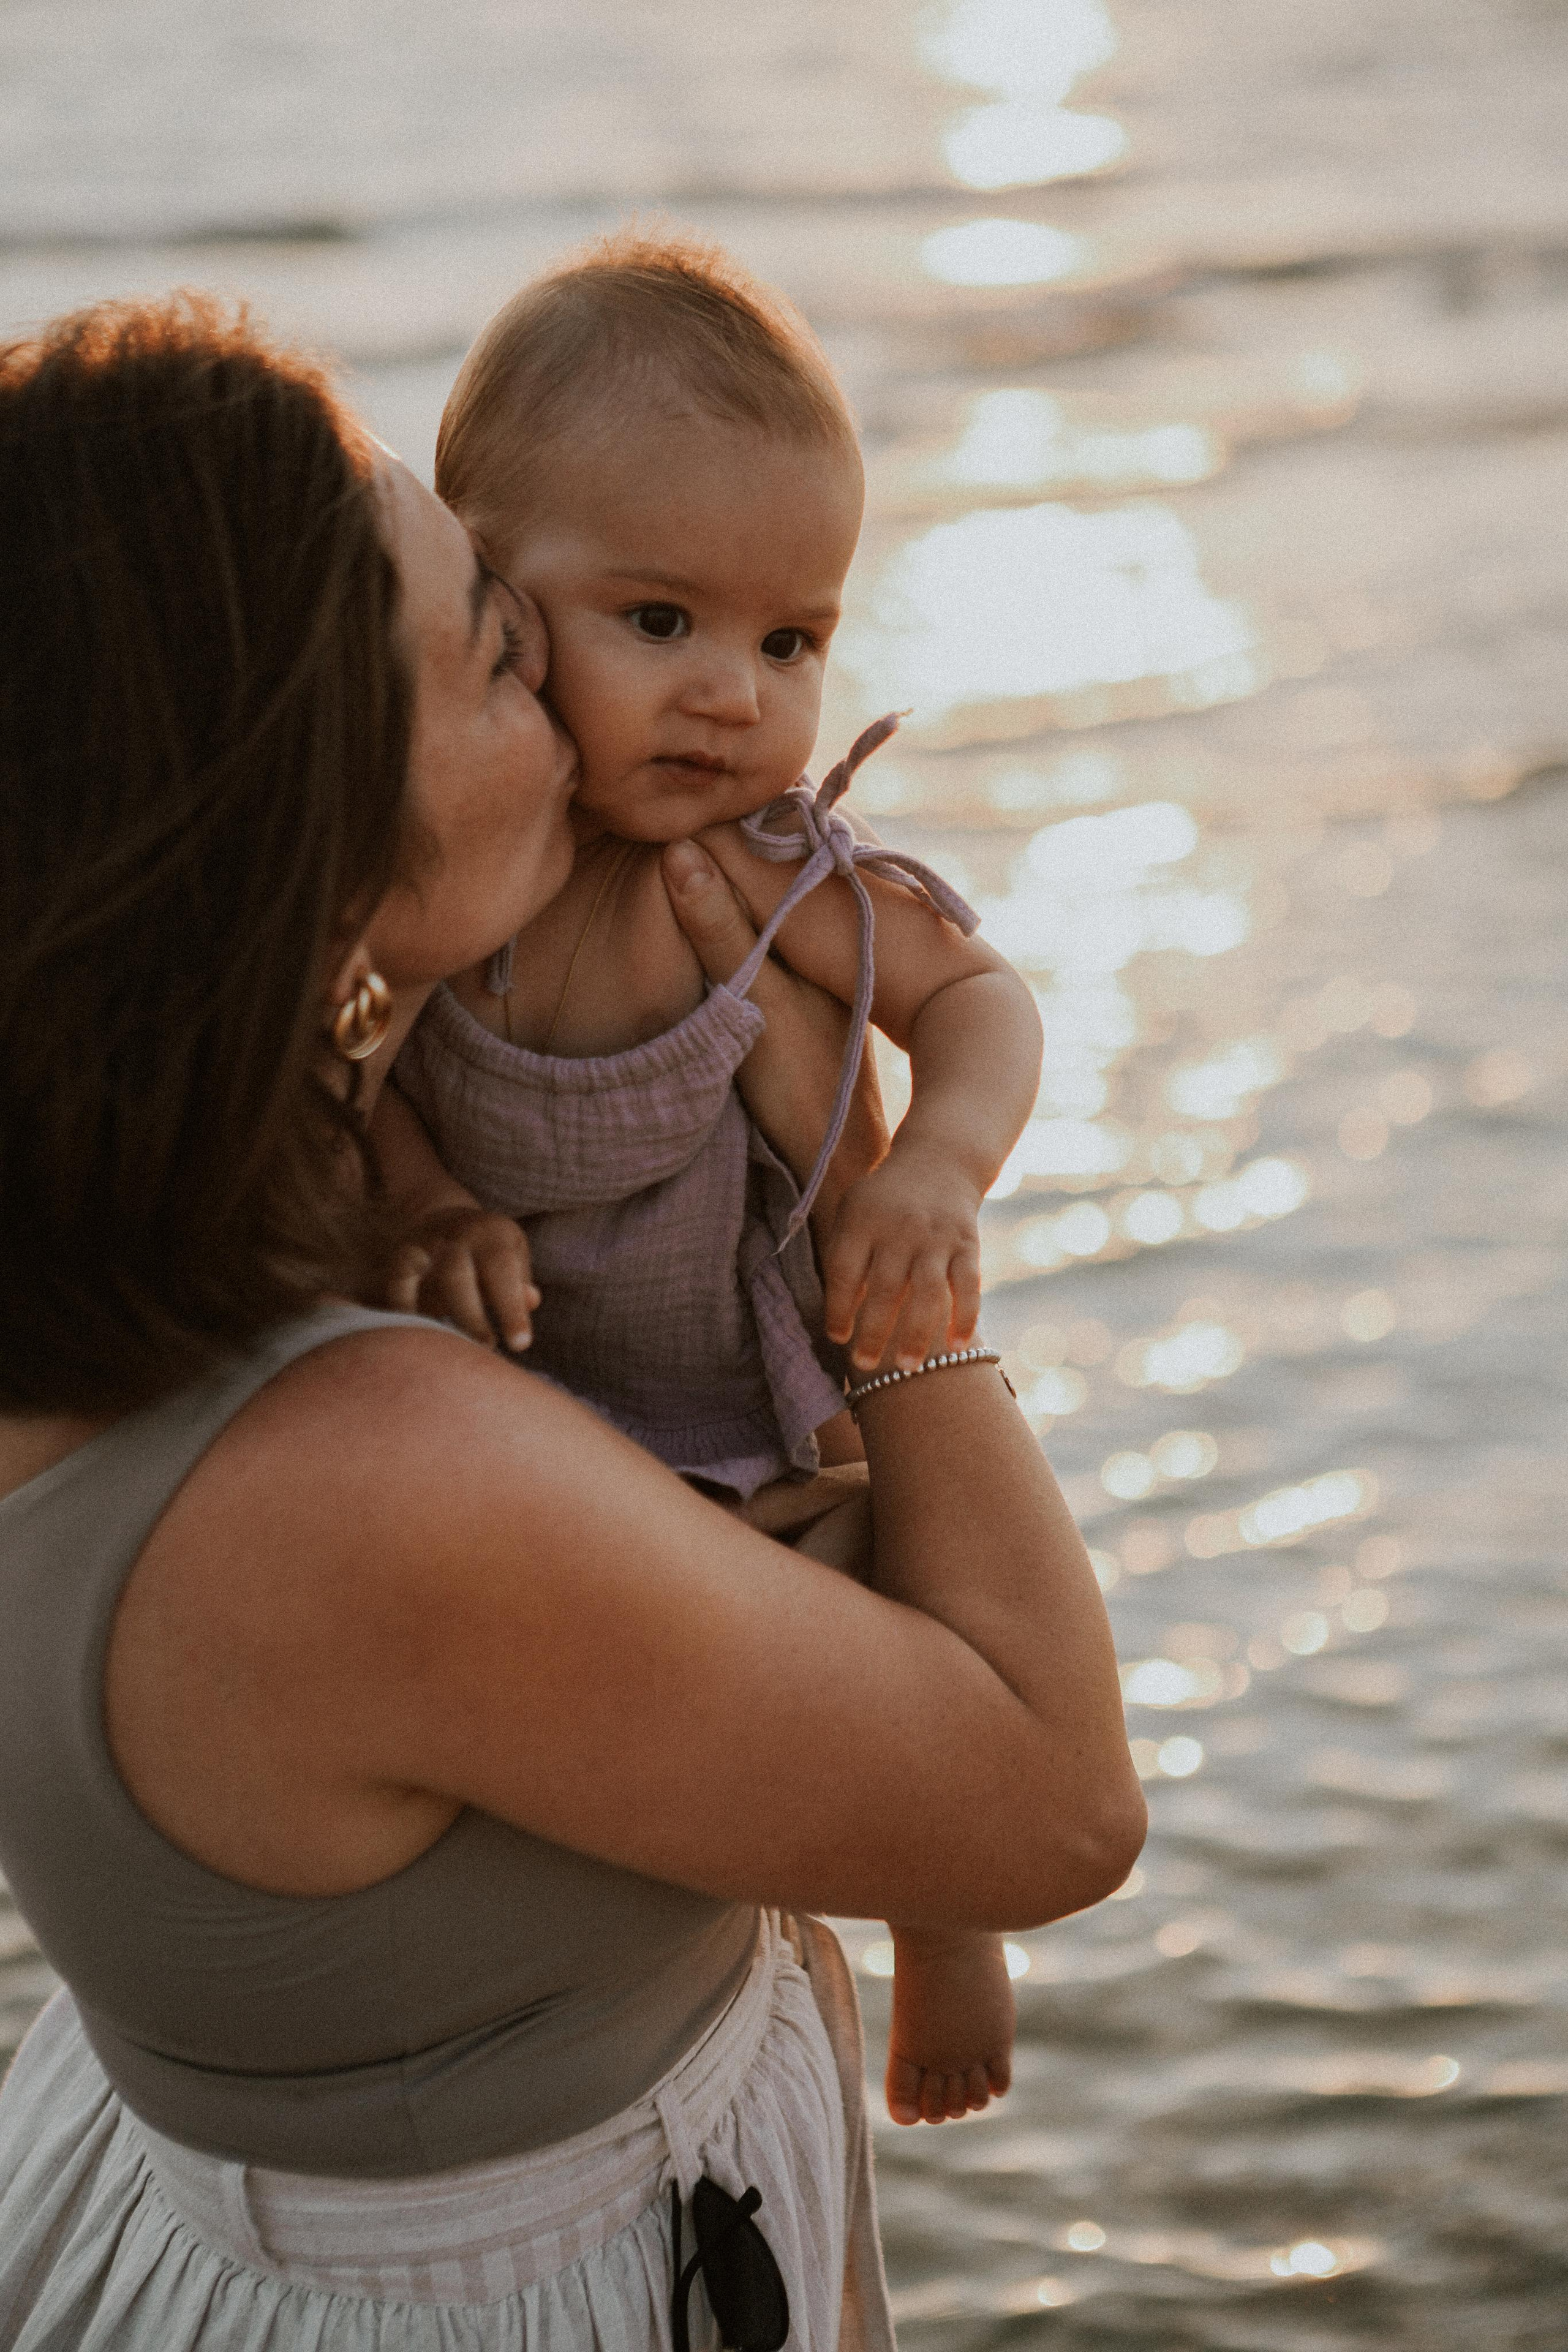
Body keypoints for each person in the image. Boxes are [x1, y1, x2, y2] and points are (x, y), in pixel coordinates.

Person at [0, 294, 1144, 2350]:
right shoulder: (372, 1480)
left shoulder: (128, 1244)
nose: (593, 702)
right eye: (504, 652)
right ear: (323, 828)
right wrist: (864, 1208)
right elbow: (1059, 1804)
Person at [371, 233, 1046, 2122]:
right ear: (497, 605)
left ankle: (946, 1912)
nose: (734, 698)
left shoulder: (765, 872)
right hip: (534, 1402)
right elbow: (363, 1072)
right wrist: (423, 1199)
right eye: (658, 620)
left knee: (892, 1598)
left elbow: (979, 998)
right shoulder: (454, 871)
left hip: (756, 1376)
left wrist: (940, 1172)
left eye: (790, 641)